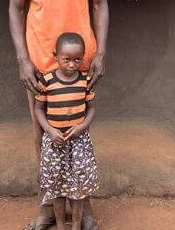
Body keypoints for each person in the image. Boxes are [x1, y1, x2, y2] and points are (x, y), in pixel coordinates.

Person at [8, 0, 110, 230]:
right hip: (39, 61)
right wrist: (23, 58)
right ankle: (48, 208)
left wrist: (100, 53)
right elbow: (16, 8)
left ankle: (85, 209)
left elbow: (100, 5)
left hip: (80, 62)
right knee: (43, 136)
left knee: (81, 138)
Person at [34, 33, 99, 230]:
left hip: (79, 143)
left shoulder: (84, 80)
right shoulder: (47, 81)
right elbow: (38, 109)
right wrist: (49, 130)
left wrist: (82, 126)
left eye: (77, 59)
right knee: (56, 187)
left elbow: (92, 108)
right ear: (56, 56)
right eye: (67, 60)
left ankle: (77, 225)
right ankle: (61, 224)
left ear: (83, 57)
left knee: (78, 187)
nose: (72, 65)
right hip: (54, 142)